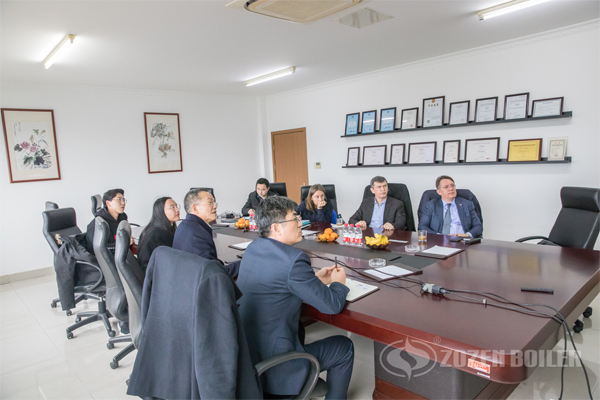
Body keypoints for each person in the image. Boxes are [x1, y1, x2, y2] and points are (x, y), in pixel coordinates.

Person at [237, 196, 354, 399]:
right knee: (344, 347)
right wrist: (338, 283)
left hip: (249, 360)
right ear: (276, 228)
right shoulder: (294, 260)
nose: (301, 224)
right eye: (295, 219)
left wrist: (314, 280)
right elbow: (332, 305)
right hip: (278, 367)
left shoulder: (253, 249)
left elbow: (277, 284)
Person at [173, 189, 240, 278]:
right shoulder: (197, 233)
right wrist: (245, 263)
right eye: (210, 203)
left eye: (214, 203)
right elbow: (214, 274)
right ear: (195, 208)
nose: (215, 206)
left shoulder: (184, 225)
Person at [418, 175, 483, 238]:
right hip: (439, 241)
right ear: (439, 192)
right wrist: (439, 236)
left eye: (452, 185)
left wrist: (467, 235)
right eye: (446, 187)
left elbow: (478, 226)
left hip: (462, 241)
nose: (451, 188)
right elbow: (422, 226)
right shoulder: (431, 205)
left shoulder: (467, 204)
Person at [136, 197, 180, 271]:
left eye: (176, 206)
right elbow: (169, 261)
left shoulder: (156, 227)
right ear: (161, 211)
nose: (177, 210)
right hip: (154, 274)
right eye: (172, 207)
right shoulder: (159, 234)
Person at [85, 188, 130, 255]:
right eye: (119, 199)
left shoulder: (122, 217)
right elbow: (99, 248)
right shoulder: (99, 224)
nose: (123, 203)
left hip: (119, 254)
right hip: (101, 258)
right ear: (108, 203)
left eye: (123, 200)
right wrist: (124, 242)